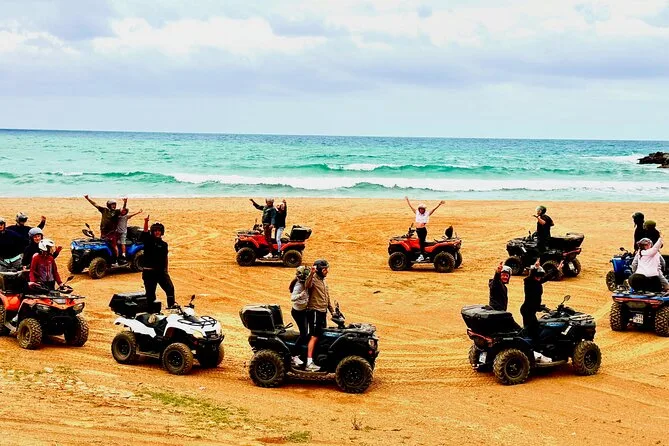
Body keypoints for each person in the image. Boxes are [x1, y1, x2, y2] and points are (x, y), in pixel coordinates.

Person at [520, 260, 560, 364]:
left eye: (539, 276)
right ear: (533, 275)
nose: (538, 278)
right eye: (536, 276)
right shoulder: (529, 282)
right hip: (527, 310)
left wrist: (556, 270)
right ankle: (534, 353)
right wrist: (534, 268)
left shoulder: (537, 282)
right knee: (533, 332)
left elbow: (546, 277)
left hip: (531, 310)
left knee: (533, 329)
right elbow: (530, 277)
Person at [304, 259, 335, 372]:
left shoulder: (323, 281)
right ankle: (309, 362)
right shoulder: (313, 279)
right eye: (324, 269)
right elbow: (307, 285)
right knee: (314, 336)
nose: (327, 271)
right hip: (315, 312)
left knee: (321, 335)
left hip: (322, 312)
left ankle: (317, 359)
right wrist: (311, 273)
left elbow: (327, 297)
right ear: (319, 270)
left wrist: (332, 311)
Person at [140, 215, 176, 308]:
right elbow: (145, 232)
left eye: (159, 231)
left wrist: (166, 271)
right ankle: (151, 312)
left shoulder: (164, 244)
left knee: (170, 289)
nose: (157, 232)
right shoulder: (148, 241)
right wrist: (146, 222)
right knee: (151, 294)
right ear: (152, 232)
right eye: (155, 231)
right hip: (149, 272)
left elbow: (165, 257)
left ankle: (172, 308)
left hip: (161, 272)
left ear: (161, 232)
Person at [404, 197, 446, 262]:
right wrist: (407, 201)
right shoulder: (417, 213)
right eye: (420, 209)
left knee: (421, 242)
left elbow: (433, 210)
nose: (421, 210)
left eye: (422, 209)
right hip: (418, 230)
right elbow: (411, 207)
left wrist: (439, 204)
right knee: (421, 242)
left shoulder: (426, 214)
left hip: (422, 230)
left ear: (424, 210)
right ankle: (424, 254)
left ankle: (422, 256)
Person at [84, 195, 124, 260]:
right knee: (103, 243)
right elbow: (95, 204)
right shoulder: (104, 210)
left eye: (114, 205)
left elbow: (123, 210)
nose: (114, 206)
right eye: (112, 205)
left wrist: (125, 202)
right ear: (109, 205)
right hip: (103, 232)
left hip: (112, 233)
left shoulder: (116, 212)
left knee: (114, 246)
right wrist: (88, 198)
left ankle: (117, 259)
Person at [289, 265, 310, 367]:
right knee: (304, 333)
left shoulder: (303, 283)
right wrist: (301, 295)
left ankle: (303, 352)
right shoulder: (298, 286)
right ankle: (294, 355)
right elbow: (292, 298)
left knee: (307, 332)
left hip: (303, 310)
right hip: (298, 312)